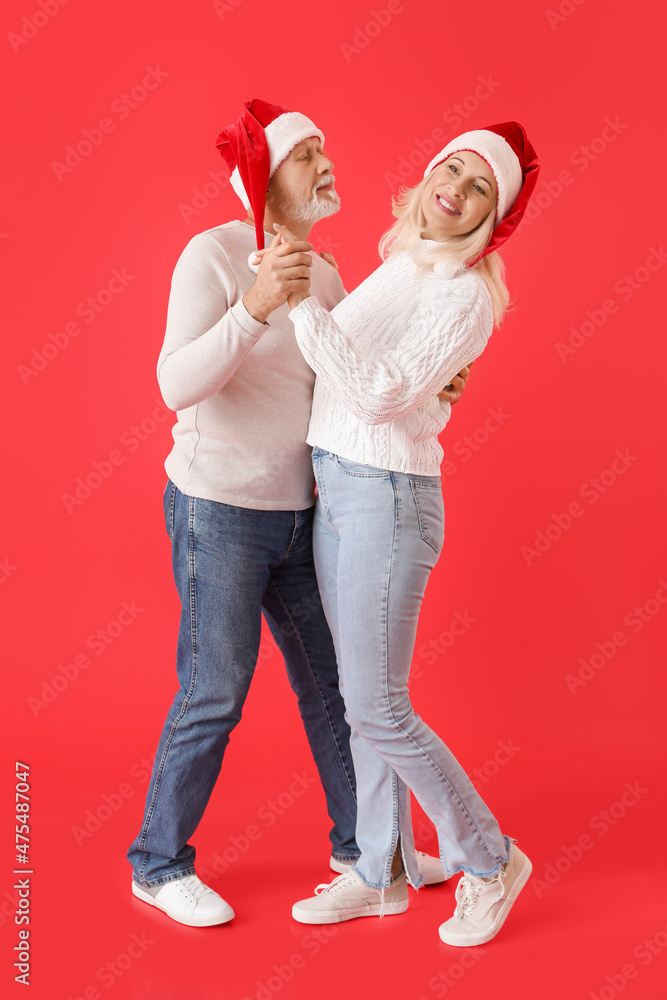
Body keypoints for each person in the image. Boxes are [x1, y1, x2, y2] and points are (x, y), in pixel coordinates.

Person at [127, 99, 470, 928]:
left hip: (305, 513)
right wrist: (248, 310)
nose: (325, 163)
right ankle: (158, 864)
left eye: (325, 148)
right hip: (220, 510)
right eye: (306, 153)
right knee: (216, 688)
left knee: (334, 690)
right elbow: (174, 386)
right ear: (265, 176)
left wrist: (430, 386)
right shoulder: (211, 255)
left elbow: (347, 383)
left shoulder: (323, 272)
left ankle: (367, 854)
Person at [278, 122, 540, 945]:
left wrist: (296, 308)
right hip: (342, 487)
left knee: (379, 705)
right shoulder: (401, 266)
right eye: (451, 167)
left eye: (481, 187)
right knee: (360, 706)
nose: (457, 185)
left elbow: (382, 395)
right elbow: (380, 384)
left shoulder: (461, 293)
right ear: (428, 176)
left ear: (490, 219)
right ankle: (380, 868)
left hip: (387, 499)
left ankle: (491, 860)